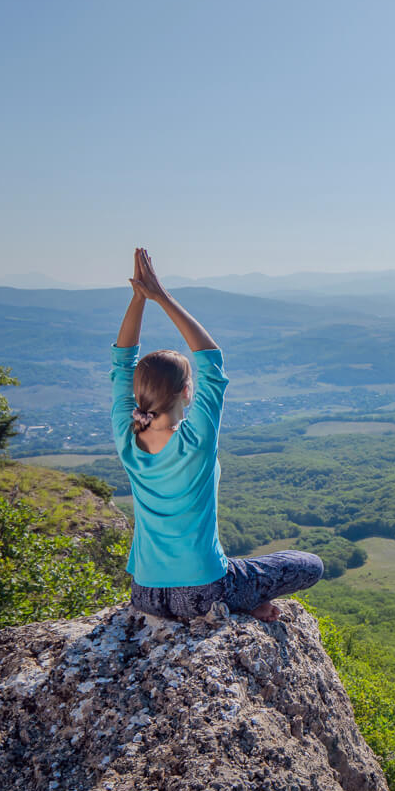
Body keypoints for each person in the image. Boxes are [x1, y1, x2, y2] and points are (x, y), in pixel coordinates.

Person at [112, 247, 323, 621]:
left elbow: (122, 361)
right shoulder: (195, 442)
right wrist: (160, 296)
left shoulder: (127, 436)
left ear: (138, 392)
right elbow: (212, 361)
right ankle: (239, 602)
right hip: (202, 592)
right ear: (187, 392)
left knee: (237, 566)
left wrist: (137, 299)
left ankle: (242, 600)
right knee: (308, 564)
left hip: (145, 593)